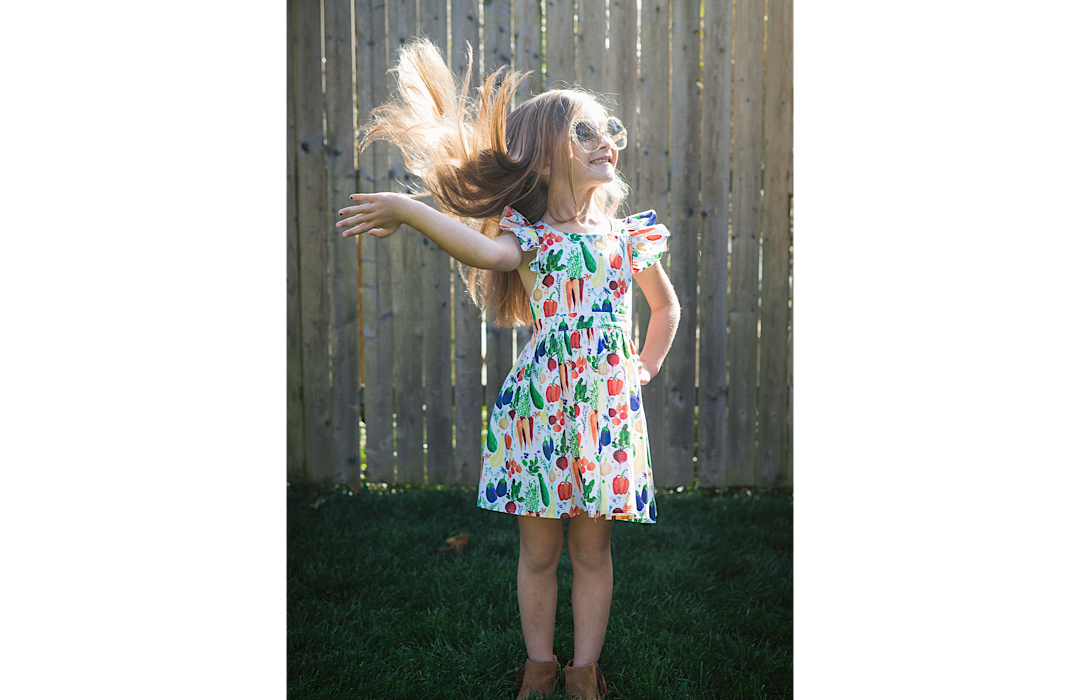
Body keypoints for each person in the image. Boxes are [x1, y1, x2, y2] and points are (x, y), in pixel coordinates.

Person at [336, 38, 680, 700]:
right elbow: (472, 245)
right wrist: (409, 210)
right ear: (548, 156)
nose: (606, 139)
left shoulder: (625, 236)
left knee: (592, 552)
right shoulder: (524, 240)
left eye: (609, 128)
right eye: (585, 132)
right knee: (541, 553)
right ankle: (540, 665)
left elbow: (665, 310)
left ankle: (584, 672)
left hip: (605, 413)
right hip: (541, 412)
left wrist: (642, 368)